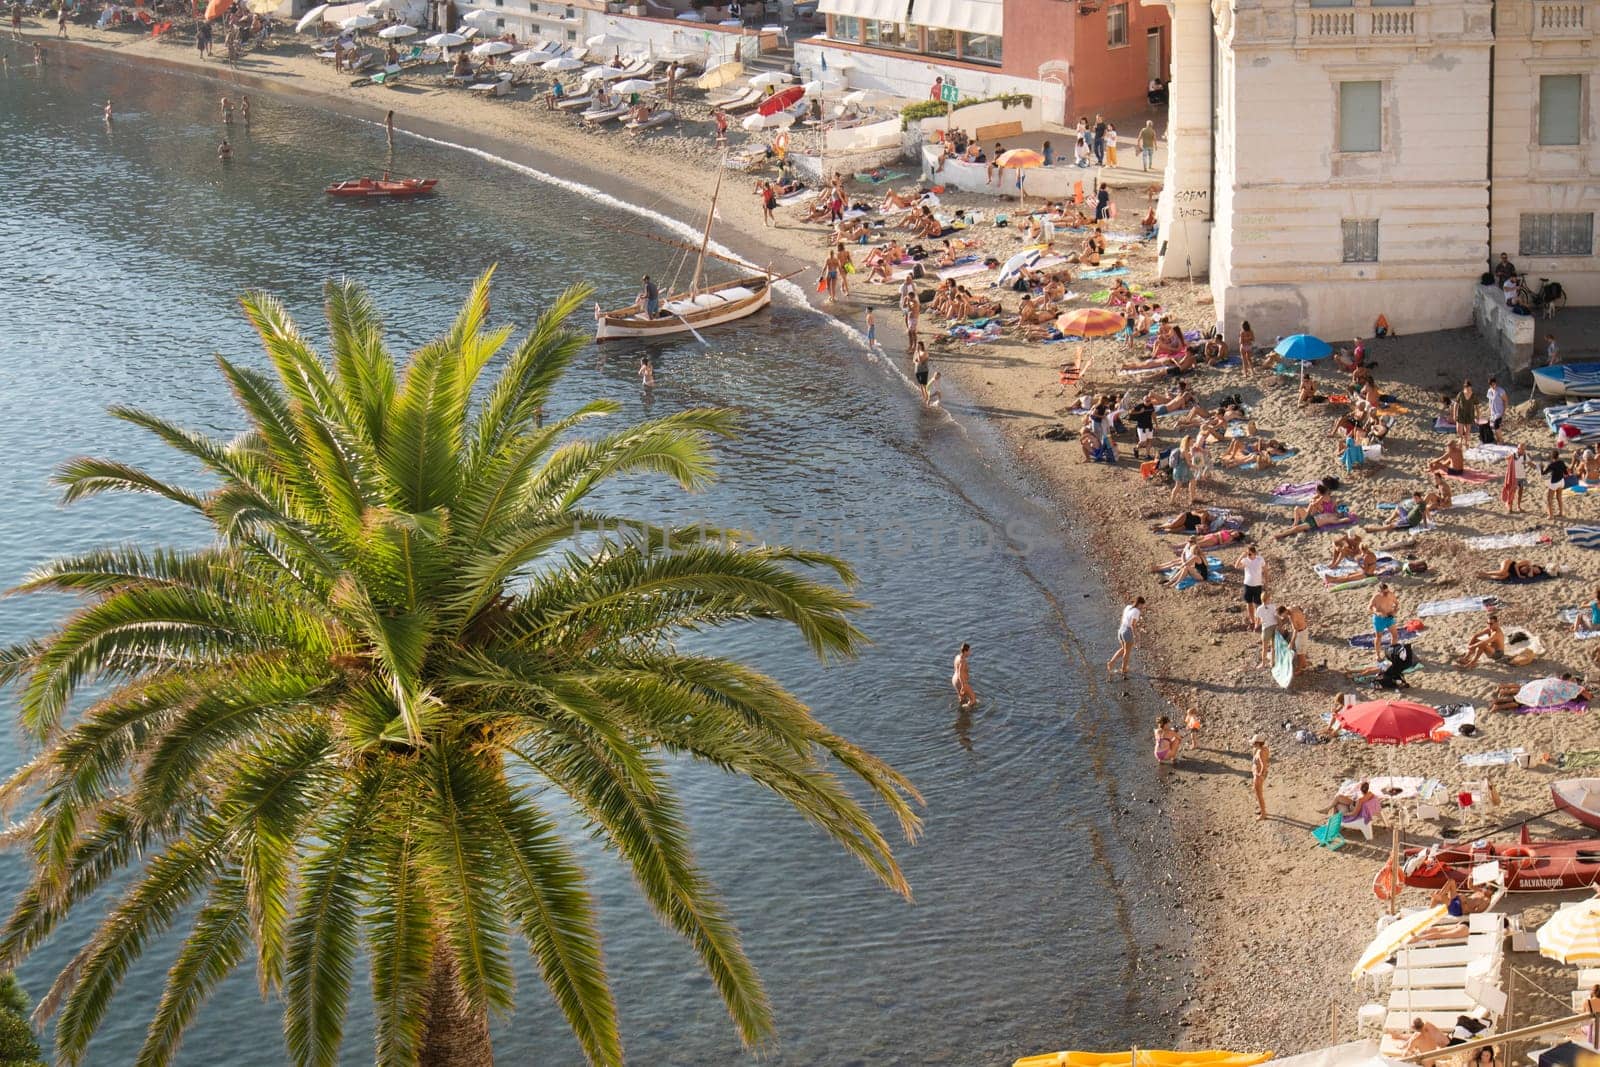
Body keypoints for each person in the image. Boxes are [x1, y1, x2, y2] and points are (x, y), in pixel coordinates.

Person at [1107, 597, 1144, 678]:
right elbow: (1133, 624)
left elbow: (1122, 618)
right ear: (1140, 604)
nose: (1142, 607)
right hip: (1127, 631)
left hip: (1121, 629)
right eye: (1142, 605)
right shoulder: (1136, 611)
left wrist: (1121, 629)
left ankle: (1111, 662)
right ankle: (1124, 669)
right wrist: (1135, 634)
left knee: (1123, 648)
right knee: (1127, 652)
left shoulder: (1128, 607)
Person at [1237, 543, 1265, 628]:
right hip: (1248, 584)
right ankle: (1252, 620)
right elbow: (1236, 566)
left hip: (1257, 585)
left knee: (1258, 604)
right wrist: (1242, 556)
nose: (1248, 555)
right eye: (1247, 553)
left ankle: (1258, 621)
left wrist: (1267, 581)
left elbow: (1265, 569)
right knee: (1249, 603)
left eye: (1249, 554)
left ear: (1254, 553)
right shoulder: (1245, 560)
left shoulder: (1260, 559)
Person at [1369, 583, 1400, 650]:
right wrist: (1377, 613)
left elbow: (1397, 604)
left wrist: (1394, 611)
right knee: (1379, 637)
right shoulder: (1376, 597)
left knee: (1395, 635)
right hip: (1379, 619)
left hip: (1389, 617)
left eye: (1387, 591)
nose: (1386, 594)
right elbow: (1369, 608)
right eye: (1384, 592)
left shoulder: (1390, 594)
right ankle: (1378, 655)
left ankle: (1393, 651)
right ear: (1379, 591)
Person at [1543, 448, 1569, 517]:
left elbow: (1544, 473)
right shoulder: (1562, 462)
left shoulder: (1551, 465)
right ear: (1558, 456)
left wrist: (1541, 467)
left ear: (1552, 457)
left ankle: (1551, 515)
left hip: (1554, 482)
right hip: (1561, 482)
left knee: (1549, 499)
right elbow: (1566, 473)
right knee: (1559, 497)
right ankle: (1560, 513)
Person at [1255, 598, 1279, 669]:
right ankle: (1271, 662)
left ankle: (1264, 663)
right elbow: (1276, 616)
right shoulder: (1273, 606)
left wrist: (1258, 625)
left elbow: (1257, 621)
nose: (1270, 599)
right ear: (1266, 599)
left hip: (1266, 628)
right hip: (1273, 627)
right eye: (1269, 598)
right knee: (1273, 646)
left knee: (1265, 647)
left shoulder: (1259, 608)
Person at [951, 642, 976, 708]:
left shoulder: (957, 657)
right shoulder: (963, 661)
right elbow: (960, 674)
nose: (970, 652)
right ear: (965, 651)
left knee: (962, 698)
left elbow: (956, 669)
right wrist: (963, 686)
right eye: (969, 651)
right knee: (973, 699)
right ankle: (966, 711)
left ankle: (961, 711)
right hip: (961, 681)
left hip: (954, 679)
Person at [1250, 735, 1269, 820]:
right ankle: (1261, 809)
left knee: (1259, 795)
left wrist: (1259, 774)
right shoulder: (1265, 749)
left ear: (1257, 743)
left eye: (1254, 743)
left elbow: (1263, 764)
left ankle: (1263, 814)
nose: (1252, 744)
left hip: (1258, 776)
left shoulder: (1260, 752)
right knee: (1256, 791)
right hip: (1259, 775)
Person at [1478, 558, 1548, 581]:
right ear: (1536, 566)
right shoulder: (1527, 563)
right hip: (1509, 563)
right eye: (1537, 569)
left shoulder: (1530, 572)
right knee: (1503, 572)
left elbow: (1530, 576)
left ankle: (1487, 577)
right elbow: (1516, 566)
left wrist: (1531, 570)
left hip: (1511, 572)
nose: (1536, 571)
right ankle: (1485, 573)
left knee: (1503, 577)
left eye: (1537, 572)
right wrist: (1519, 575)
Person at [1485, 376, 1507, 442]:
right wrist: (1489, 410)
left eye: (1494, 384)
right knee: (1494, 427)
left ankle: (1501, 440)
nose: (1493, 386)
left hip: (1499, 412)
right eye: (1491, 385)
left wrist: (1504, 411)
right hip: (1493, 412)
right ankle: (1498, 439)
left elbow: (1505, 400)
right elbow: (1490, 401)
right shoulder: (1489, 391)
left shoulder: (1500, 391)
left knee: (1496, 426)